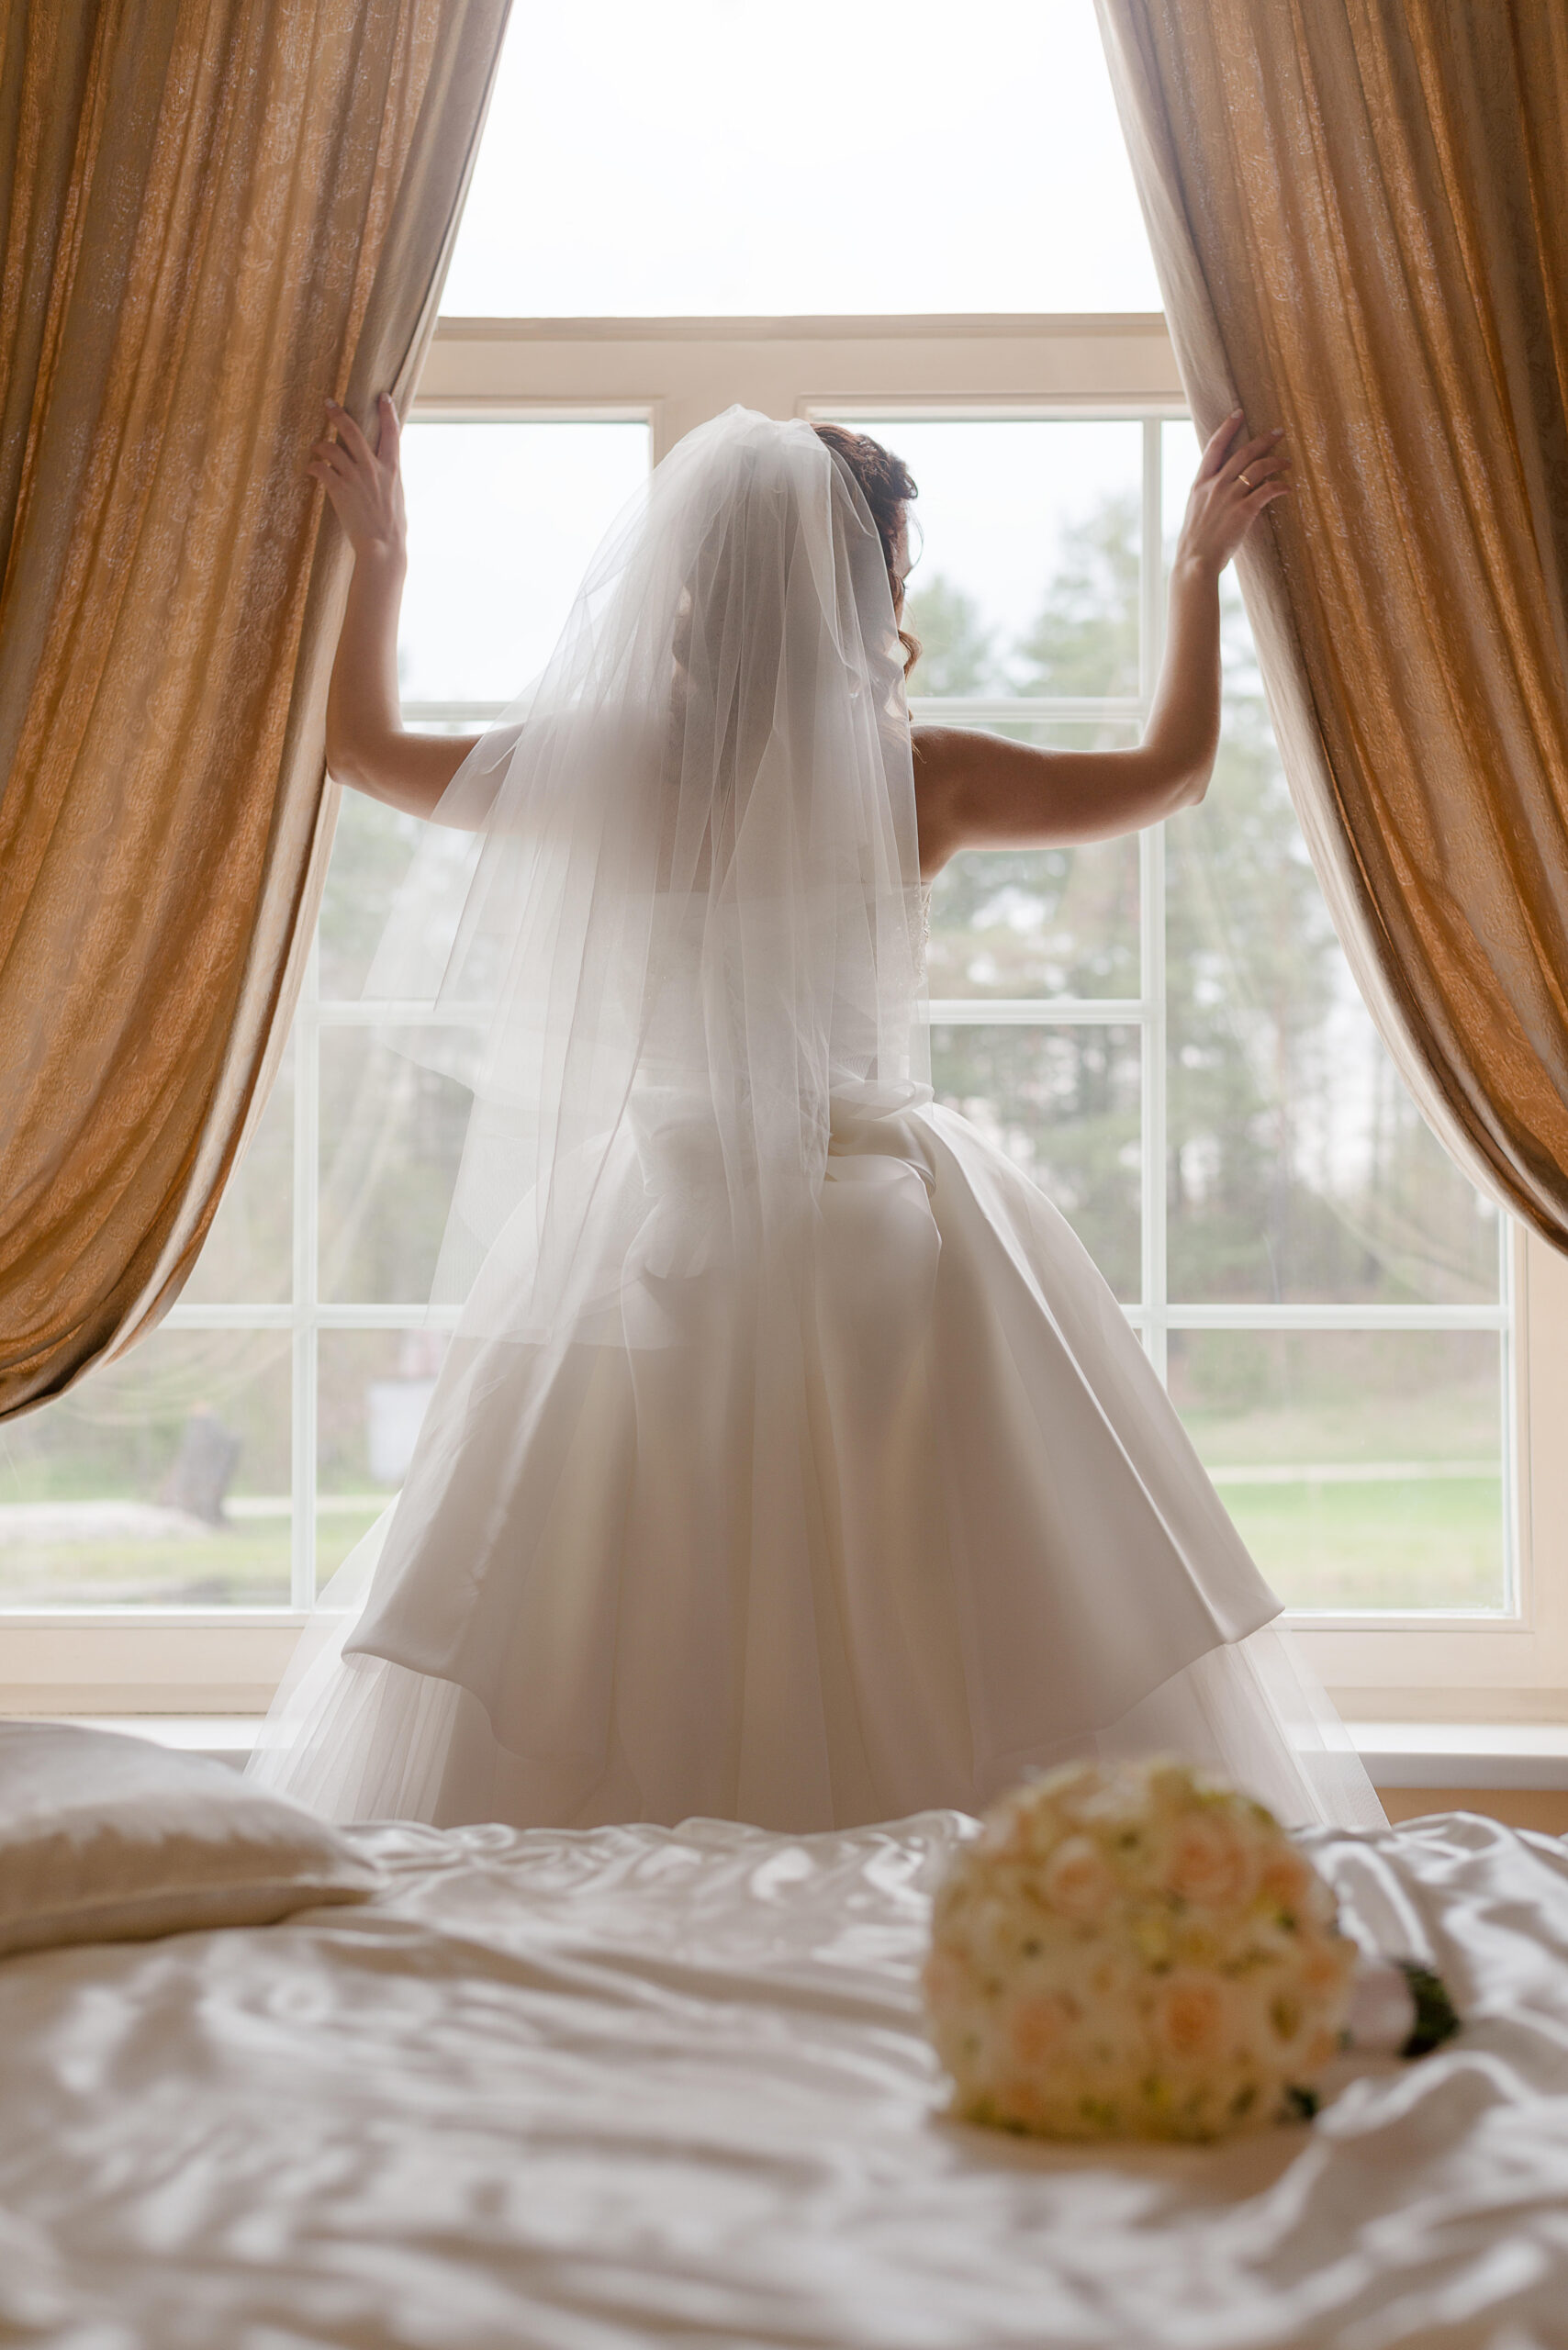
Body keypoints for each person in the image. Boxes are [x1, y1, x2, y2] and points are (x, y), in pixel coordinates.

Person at [250, 397, 1383, 1834]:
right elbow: (1172, 774)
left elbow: (357, 748)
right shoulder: (923, 780)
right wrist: (1193, 577)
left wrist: (382, 554)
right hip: (882, 1239)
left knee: (635, 1576)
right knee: (934, 1586)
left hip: (665, 1229)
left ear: (694, 585)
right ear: (871, 592)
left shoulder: (606, 769)